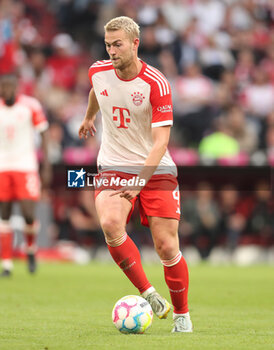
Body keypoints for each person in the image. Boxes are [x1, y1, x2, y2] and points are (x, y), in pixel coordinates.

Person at [79, 16, 192, 333]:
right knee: (111, 224)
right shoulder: (98, 71)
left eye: (118, 44)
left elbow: (161, 143)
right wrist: (89, 118)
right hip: (114, 165)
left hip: (154, 168)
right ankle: (148, 293)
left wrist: (139, 181)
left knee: (166, 247)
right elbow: (96, 92)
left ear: (134, 44)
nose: (112, 51)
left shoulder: (156, 83)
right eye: (108, 45)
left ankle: (182, 316)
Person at [0, 74, 50, 276]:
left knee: (29, 213)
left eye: (10, 87)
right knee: (5, 214)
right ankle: (7, 264)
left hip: (26, 164)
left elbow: (44, 134)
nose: (7, 91)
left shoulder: (30, 106)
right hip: (3, 165)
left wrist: (46, 165)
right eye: (3, 87)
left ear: (17, 88)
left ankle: (30, 249)